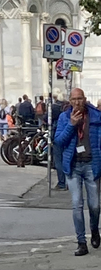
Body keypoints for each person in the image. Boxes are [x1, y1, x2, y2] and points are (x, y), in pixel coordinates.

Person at [54, 87, 101, 256]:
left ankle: (94, 230)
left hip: (91, 165)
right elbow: (59, 141)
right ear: (69, 100)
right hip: (73, 166)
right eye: (73, 99)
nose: (76, 102)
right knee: (76, 205)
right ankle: (81, 242)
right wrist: (71, 125)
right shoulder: (64, 117)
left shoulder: (96, 116)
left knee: (95, 205)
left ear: (85, 99)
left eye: (79, 99)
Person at [51, 94, 68, 191]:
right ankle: (68, 182)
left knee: (58, 161)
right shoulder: (67, 107)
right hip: (67, 136)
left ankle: (62, 183)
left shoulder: (54, 107)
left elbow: (46, 118)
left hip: (57, 135)